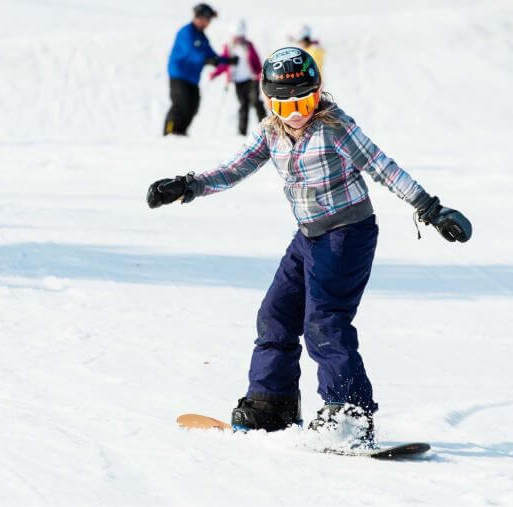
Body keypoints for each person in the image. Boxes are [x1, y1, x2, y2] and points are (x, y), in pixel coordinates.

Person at [146, 47, 471, 446]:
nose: (297, 112)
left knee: (325, 321)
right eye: (285, 104)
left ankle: (349, 414)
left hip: (348, 234)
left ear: (318, 94)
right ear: (269, 101)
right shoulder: (271, 131)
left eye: (306, 100)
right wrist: (189, 185)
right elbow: (236, 168)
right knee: (275, 314)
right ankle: (273, 403)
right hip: (309, 236)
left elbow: (382, 166)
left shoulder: (334, 128)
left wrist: (431, 209)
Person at [164, 3, 238, 136]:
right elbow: (190, 52)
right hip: (179, 75)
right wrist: (206, 60)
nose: (208, 23)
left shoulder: (202, 37)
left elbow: (211, 55)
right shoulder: (186, 32)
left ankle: (180, 133)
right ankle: (169, 133)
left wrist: (226, 60)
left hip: (192, 78)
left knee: (193, 106)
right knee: (180, 104)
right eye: (208, 19)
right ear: (200, 17)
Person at [209, 20, 265, 136]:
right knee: (243, 104)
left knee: (255, 101)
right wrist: (215, 73)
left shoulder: (248, 46)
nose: (238, 39)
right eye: (236, 37)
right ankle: (242, 132)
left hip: (252, 78)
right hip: (238, 81)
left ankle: (266, 127)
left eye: (240, 37)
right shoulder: (228, 47)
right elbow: (224, 64)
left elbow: (256, 61)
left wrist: (261, 73)